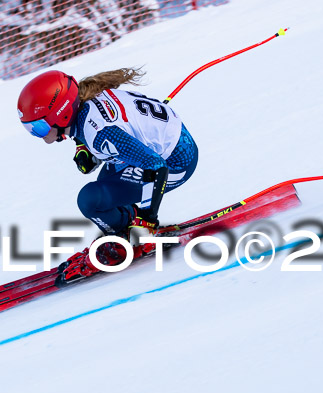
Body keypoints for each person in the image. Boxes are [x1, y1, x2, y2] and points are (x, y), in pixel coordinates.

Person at [17, 68, 198, 283]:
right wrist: (82, 145)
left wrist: (148, 221)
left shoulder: (99, 134)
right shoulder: (86, 102)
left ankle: (126, 236)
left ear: (61, 114)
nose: (38, 135)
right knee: (104, 187)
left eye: (38, 127)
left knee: (91, 200)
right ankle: (124, 228)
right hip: (168, 145)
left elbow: (156, 167)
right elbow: (104, 124)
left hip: (176, 163)